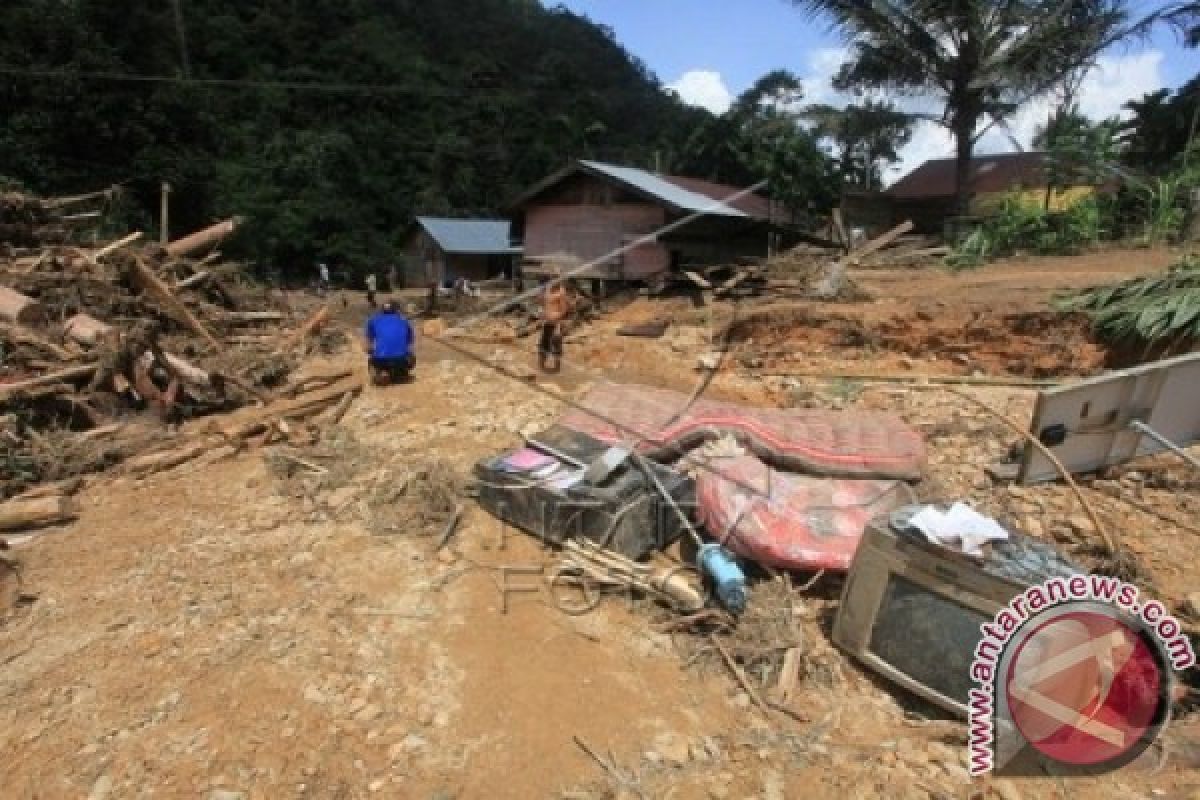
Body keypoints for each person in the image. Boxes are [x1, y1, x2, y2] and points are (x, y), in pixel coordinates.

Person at [365, 300, 415, 384]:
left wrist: (371, 351)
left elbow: (369, 341)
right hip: (401, 360)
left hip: (380, 360)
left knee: (371, 359)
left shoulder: (373, 320)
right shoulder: (404, 321)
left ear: (382, 311)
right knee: (411, 356)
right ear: (396, 310)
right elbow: (410, 341)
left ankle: (378, 372)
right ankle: (400, 372)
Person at [538, 274, 574, 372]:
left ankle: (557, 367)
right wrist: (542, 312)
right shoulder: (547, 289)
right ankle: (541, 365)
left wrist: (556, 317)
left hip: (556, 321)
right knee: (544, 342)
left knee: (556, 342)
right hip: (546, 320)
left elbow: (564, 309)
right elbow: (542, 303)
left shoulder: (561, 292)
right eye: (553, 278)